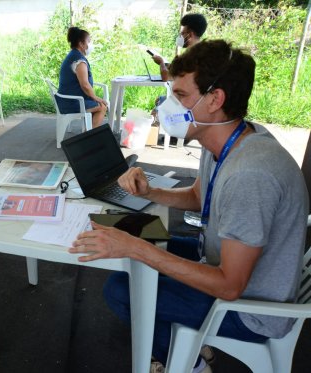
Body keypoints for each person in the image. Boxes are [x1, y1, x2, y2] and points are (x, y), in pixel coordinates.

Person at [70, 40, 309, 373]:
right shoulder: (232, 138)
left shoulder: (251, 175)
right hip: (224, 263)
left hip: (249, 310)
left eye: (180, 96)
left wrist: (137, 249)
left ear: (215, 99)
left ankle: (190, 363)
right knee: (138, 233)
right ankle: (191, 345)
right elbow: (200, 195)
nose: (167, 106)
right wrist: (150, 191)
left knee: (122, 290)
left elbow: (229, 285)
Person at [57, 26, 108, 128]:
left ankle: (89, 132)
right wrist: (96, 98)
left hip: (66, 100)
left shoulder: (73, 55)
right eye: (89, 41)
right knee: (102, 106)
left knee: (96, 105)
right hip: (71, 103)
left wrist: (94, 98)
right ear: (81, 43)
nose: (90, 44)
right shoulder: (79, 61)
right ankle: (89, 137)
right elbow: (85, 84)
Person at [152, 13, 207, 82]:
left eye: (183, 33)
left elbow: (166, 77)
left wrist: (161, 63)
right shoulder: (201, 51)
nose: (180, 36)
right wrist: (166, 64)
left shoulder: (192, 56)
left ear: (190, 35)